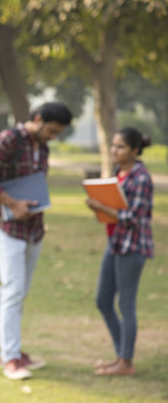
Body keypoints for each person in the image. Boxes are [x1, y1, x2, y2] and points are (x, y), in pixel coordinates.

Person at [0, 102, 73, 380]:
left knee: (20, 294)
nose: (53, 136)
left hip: (34, 231)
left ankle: (15, 352)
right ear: (38, 119)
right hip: (8, 230)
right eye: (52, 130)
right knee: (13, 292)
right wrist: (13, 202)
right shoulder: (8, 140)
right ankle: (10, 359)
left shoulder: (43, 147)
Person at [85, 127, 153, 377]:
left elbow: (133, 217)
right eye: (113, 145)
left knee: (126, 305)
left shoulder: (141, 178)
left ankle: (126, 362)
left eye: (121, 146)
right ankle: (121, 357)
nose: (114, 150)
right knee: (103, 301)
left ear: (135, 150)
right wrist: (98, 208)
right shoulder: (119, 174)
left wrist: (100, 206)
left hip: (132, 248)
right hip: (114, 245)